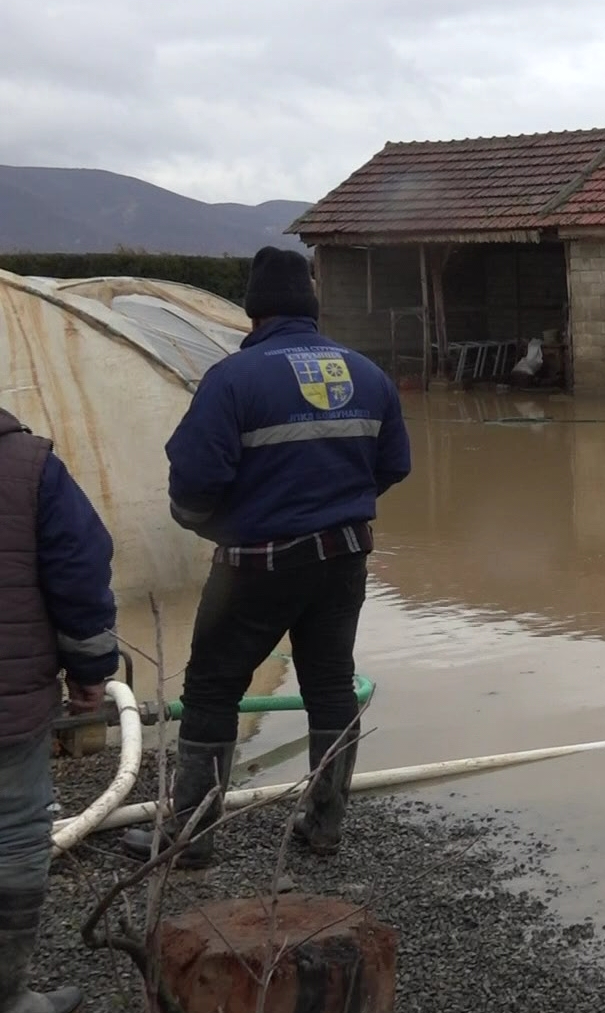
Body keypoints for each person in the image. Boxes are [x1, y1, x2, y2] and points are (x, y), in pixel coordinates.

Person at [123, 246, 410, 868]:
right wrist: (336, 504)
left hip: (257, 565)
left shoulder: (233, 379)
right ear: (311, 307)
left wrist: (224, 528)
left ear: (253, 313)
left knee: (211, 687)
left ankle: (192, 838)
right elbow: (394, 466)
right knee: (331, 685)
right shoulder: (366, 373)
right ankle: (324, 826)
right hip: (345, 558)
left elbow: (193, 483)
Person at [0, 406, 118, 1013]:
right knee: (15, 833)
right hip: (8, 701)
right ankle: (3, 998)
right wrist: (90, 668)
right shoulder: (30, 466)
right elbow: (78, 571)